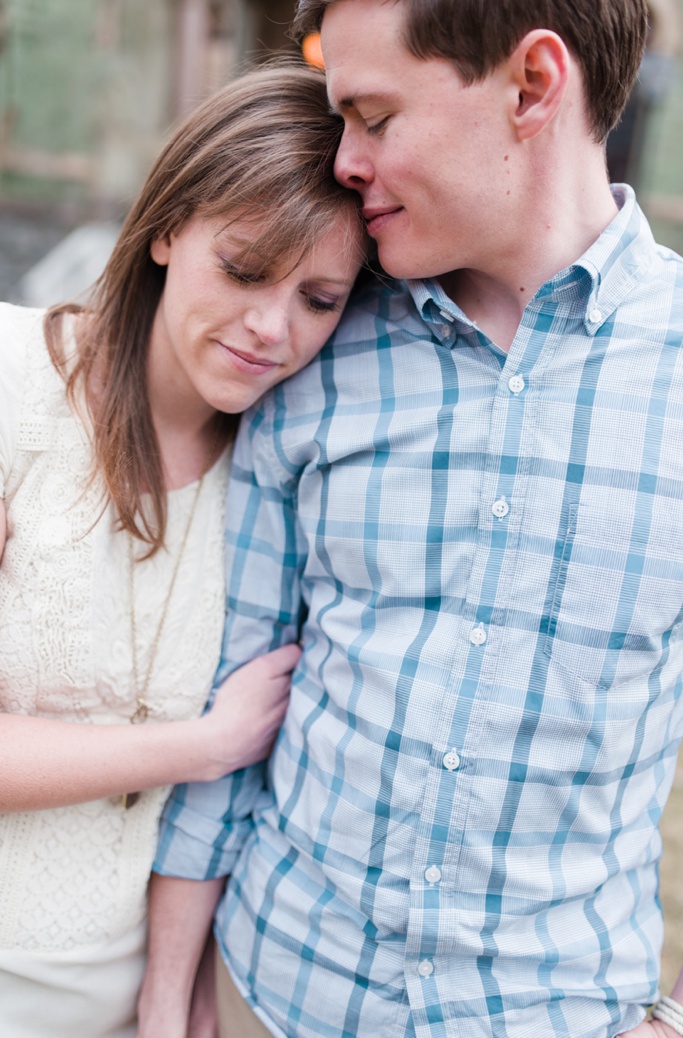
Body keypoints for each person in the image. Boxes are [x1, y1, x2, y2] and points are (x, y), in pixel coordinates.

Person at [140, 2, 683, 1036]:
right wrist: (170, 1001)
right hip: (275, 991)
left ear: (531, 87)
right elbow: (235, 692)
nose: (344, 160)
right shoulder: (315, 337)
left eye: (374, 115)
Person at [0, 62, 366, 1038]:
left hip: (140, 1007)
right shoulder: (16, 389)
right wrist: (200, 744)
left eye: (320, 300)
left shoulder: (290, 479)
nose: (270, 329)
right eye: (244, 269)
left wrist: (178, 993)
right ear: (167, 228)